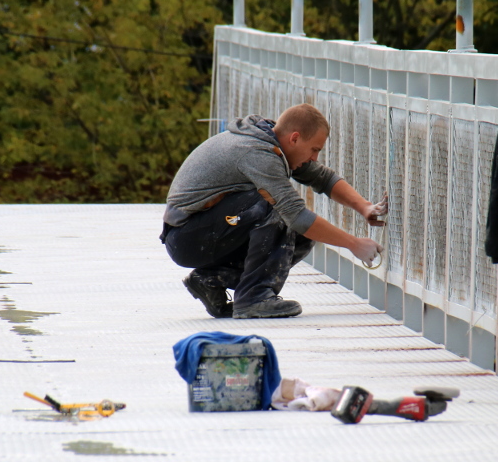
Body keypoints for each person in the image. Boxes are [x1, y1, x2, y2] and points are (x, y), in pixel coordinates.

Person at [160, 103, 386, 319]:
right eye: (314, 150)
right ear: (295, 138)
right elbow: (295, 214)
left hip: (209, 230)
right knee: (275, 207)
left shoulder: (273, 141)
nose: (315, 158)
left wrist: (364, 206)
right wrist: (354, 244)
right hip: (186, 237)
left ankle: (211, 280)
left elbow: (322, 178)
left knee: (301, 237)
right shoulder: (258, 153)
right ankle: (254, 299)